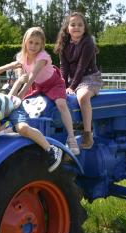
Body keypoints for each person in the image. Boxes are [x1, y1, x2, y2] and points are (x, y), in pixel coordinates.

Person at [11, 26, 80, 155]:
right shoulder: (21, 57)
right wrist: (16, 94)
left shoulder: (42, 56)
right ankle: (15, 130)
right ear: (25, 41)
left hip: (53, 83)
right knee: (22, 106)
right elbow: (22, 77)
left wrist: (20, 95)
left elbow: (32, 77)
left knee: (61, 103)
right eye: (30, 42)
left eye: (37, 43)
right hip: (38, 86)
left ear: (42, 45)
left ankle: (71, 137)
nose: (33, 46)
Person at [54, 12, 103, 149]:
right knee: (58, 97)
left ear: (85, 28)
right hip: (73, 79)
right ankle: (65, 134)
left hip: (90, 77)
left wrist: (72, 87)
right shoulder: (64, 44)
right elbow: (64, 68)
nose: (77, 27)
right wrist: (63, 86)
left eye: (80, 25)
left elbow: (82, 67)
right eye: (73, 24)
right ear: (67, 28)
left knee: (82, 97)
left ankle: (88, 134)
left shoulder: (88, 43)